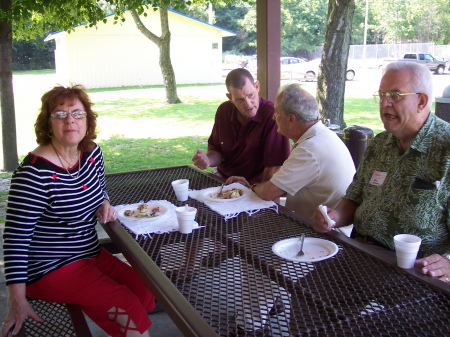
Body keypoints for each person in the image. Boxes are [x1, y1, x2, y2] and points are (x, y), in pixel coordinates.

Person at [2, 85, 155, 337]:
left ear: (87, 119)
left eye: (77, 113)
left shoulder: (92, 153)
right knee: (127, 307)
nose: (70, 120)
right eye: (60, 114)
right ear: (48, 123)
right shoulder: (34, 174)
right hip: (49, 267)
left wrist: (104, 201)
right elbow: (15, 240)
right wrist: (16, 299)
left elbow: (100, 187)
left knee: (145, 289)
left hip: (89, 252)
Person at [312, 62, 450, 283]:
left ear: (421, 101)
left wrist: (448, 263)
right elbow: (353, 198)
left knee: (378, 320)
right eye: (382, 94)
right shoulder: (379, 144)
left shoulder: (446, 150)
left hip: (415, 273)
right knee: (306, 299)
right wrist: (334, 217)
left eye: (395, 95)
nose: (385, 103)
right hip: (359, 252)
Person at [229, 83, 355, 219]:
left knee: (243, 228)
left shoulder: (309, 150)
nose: (273, 117)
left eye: (276, 112)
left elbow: (268, 193)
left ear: (291, 119)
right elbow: (283, 187)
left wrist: (250, 188)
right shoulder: (322, 136)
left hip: (321, 232)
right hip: (324, 225)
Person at [191, 68, 290, 185]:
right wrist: (208, 160)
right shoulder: (224, 111)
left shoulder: (272, 115)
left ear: (257, 87)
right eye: (240, 99)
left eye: (251, 95)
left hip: (255, 184)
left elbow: (274, 168)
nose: (248, 104)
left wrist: (254, 191)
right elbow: (217, 150)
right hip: (223, 177)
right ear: (230, 98)